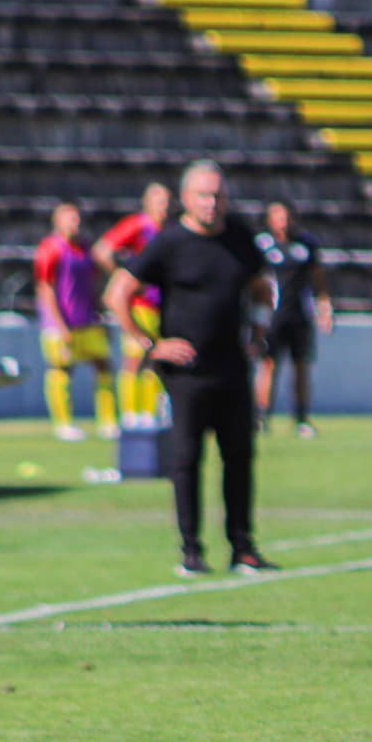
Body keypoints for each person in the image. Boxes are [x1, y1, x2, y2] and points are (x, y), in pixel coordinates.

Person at [106, 160, 280, 578]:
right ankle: (191, 551)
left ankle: (243, 548)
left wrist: (258, 328)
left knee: (239, 458)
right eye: (203, 195)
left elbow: (261, 286)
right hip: (187, 375)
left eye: (218, 195)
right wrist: (152, 345)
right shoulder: (168, 243)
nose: (212, 203)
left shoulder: (239, 237)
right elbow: (118, 294)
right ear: (185, 198)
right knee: (186, 460)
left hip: (233, 368)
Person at [35, 201, 117, 442]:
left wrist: (101, 315)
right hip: (62, 324)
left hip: (88, 321)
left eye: (77, 218)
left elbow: (94, 285)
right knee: (62, 370)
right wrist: (59, 325)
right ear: (57, 221)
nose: (76, 222)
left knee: (103, 366)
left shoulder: (85, 249)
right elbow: (45, 288)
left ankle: (108, 421)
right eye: (70, 218)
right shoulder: (50, 249)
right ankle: (63, 424)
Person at [253, 200, 332, 437]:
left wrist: (324, 306)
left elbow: (318, 280)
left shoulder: (306, 244)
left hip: (299, 316)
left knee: (301, 367)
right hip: (272, 318)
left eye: (286, 216)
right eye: (277, 216)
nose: (283, 221)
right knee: (268, 365)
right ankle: (261, 417)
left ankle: (301, 418)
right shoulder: (262, 245)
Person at [94, 183, 170, 428]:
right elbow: (102, 251)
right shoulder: (138, 225)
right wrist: (122, 279)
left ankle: (149, 413)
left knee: (157, 359)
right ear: (147, 203)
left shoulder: (169, 229)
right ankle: (129, 413)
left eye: (167, 201)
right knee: (135, 357)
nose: (164, 207)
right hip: (138, 306)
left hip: (163, 306)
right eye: (159, 201)